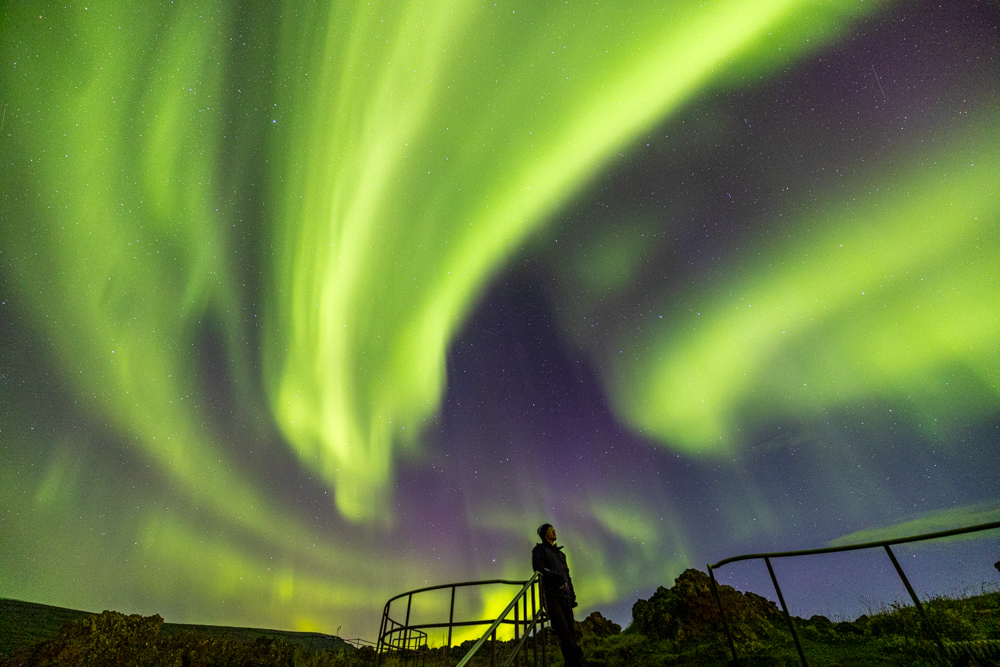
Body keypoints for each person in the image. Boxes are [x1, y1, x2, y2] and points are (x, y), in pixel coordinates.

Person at [532, 523, 583, 667]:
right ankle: (577, 656)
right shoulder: (539, 550)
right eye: (549, 530)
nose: (553, 531)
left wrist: (572, 594)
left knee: (570, 629)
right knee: (562, 629)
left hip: (566, 595)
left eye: (553, 529)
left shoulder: (561, 555)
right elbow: (538, 568)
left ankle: (571, 662)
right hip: (552, 595)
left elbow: (567, 575)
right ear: (544, 534)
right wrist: (554, 577)